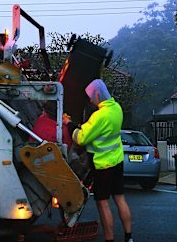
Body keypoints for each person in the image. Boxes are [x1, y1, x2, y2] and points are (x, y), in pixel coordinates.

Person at [64, 79, 133, 242]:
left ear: (97, 95)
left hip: (103, 165)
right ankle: (129, 237)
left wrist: (69, 124)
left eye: (91, 96)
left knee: (103, 203)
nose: (90, 100)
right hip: (117, 160)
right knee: (120, 198)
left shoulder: (99, 116)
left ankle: (109, 239)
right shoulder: (116, 108)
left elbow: (81, 138)